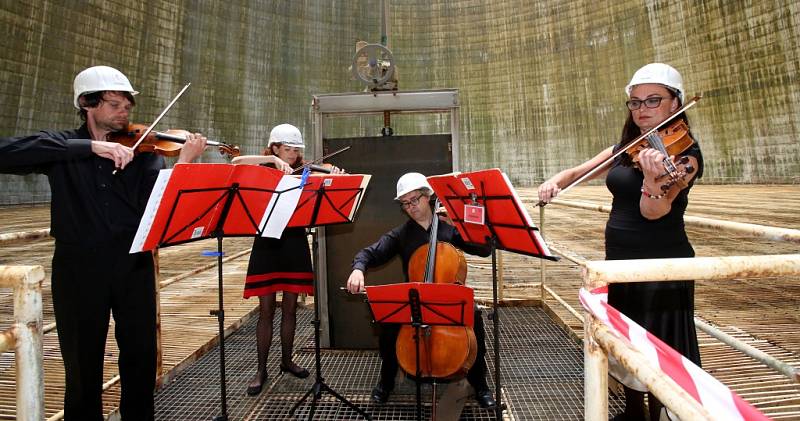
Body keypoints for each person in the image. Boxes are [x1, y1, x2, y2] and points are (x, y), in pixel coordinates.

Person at [0, 65, 208, 420]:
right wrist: (89, 147)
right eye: (115, 103)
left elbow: (156, 207)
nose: (125, 110)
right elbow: (7, 152)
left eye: (127, 103)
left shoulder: (146, 152)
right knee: (82, 367)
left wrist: (184, 165)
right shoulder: (62, 147)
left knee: (140, 360)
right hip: (79, 268)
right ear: (87, 104)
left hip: (133, 264)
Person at [537, 63, 703, 421]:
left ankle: (660, 413)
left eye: (653, 100)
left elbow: (654, 211)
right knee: (626, 340)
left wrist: (652, 177)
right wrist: (555, 182)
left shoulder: (685, 157)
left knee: (660, 349)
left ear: (676, 104)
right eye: (635, 102)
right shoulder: (627, 147)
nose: (642, 109)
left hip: (661, 265)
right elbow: (578, 172)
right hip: (620, 263)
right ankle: (633, 412)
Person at [345, 172, 497, 409]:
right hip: (416, 302)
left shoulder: (449, 228)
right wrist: (358, 269)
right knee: (388, 323)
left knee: (474, 317)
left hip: (448, 299)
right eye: (405, 203)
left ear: (428, 197)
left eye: (415, 200)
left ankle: (480, 384)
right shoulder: (401, 234)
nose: (410, 207)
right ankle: (386, 382)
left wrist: (465, 225)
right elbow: (369, 253)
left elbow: (484, 250)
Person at [237, 123, 344, 396]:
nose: (293, 155)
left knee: (290, 310)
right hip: (267, 246)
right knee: (266, 311)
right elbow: (236, 160)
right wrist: (271, 161)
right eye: (287, 150)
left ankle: (286, 361)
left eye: (296, 151)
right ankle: (261, 369)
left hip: (295, 244)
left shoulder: (305, 171)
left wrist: (335, 175)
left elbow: (330, 186)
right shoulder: (262, 169)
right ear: (274, 147)